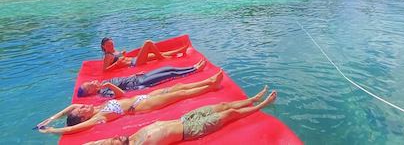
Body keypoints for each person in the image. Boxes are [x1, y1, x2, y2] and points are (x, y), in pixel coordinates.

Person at [36, 70, 223, 135]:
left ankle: (207, 81)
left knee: (177, 87)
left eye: (82, 106)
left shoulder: (96, 107)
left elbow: (71, 108)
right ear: (84, 118)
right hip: (140, 106)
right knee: (180, 94)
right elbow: (71, 129)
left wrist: (50, 119)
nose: (83, 106)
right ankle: (211, 87)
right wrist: (52, 130)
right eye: (82, 109)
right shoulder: (98, 117)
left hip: (137, 98)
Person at [83, 87, 276, 145]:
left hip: (184, 118)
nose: (115, 137)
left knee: (222, 105)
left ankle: (252, 99)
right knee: (230, 113)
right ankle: (263, 104)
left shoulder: (130, 139)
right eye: (114, 141)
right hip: (190, 130)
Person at [78, 59, 206, 98]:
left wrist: (134, 75)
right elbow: (121, 93)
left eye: (90, 81)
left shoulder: (102, 83)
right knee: (170, 74)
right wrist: (108, 86)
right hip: (141, 83)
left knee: (168, 68)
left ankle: (192, 66)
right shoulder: (103, 92)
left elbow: (121, 80)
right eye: (90, 84)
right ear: (91, 91)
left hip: (138, 77)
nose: (93, 81)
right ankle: (195, 70)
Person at [101, 37, 188, 72]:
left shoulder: (113, 50)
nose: (111, 46)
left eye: (111, 44)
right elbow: (105, 70)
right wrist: (116, 64)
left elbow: (121, 59)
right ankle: (164, 59)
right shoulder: (107, 56)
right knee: (148, 43)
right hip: (134, 63)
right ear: (103, 46)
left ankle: (179, 51)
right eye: (108, 45)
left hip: (134, 59)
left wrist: (122, 54)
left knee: (157, 54)